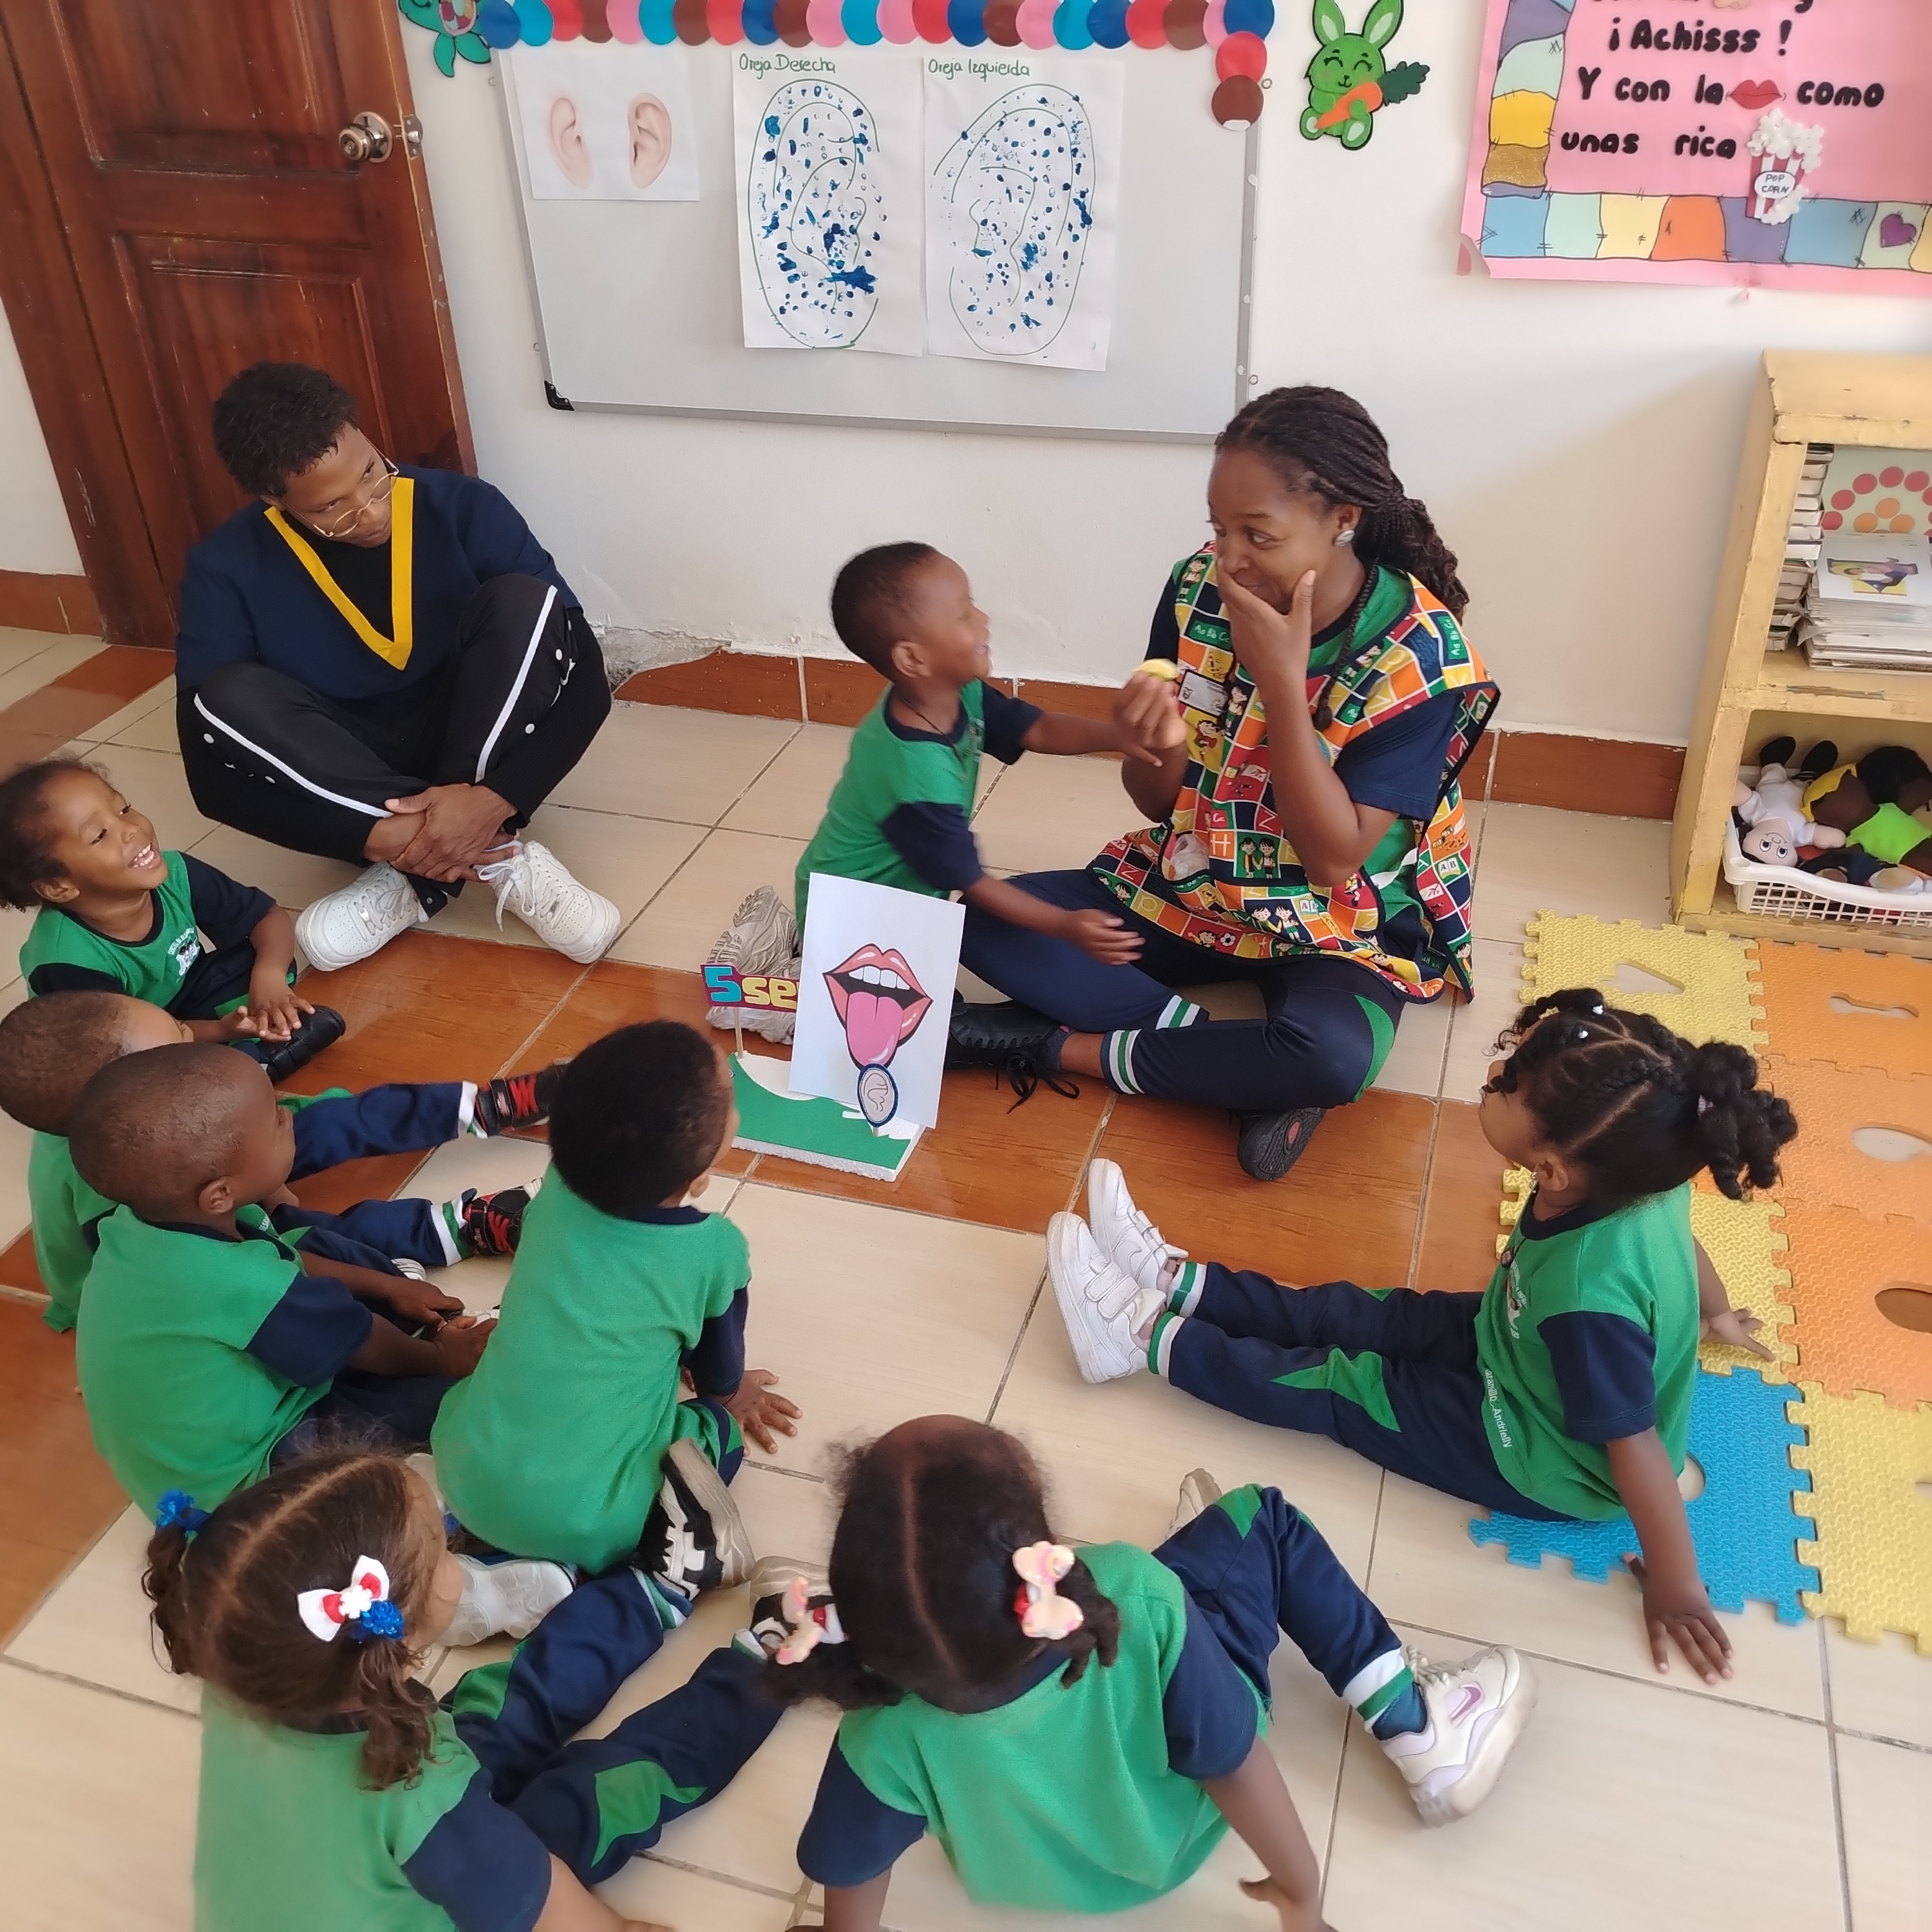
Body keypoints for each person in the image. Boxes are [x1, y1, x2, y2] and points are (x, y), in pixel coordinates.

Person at [1048, 990, 1799, 1683]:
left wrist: (1677, 1584)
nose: (1494, 1072)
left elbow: (1635, 1448)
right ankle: (1178, 1282)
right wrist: (1717, 1313)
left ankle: (1137, 1336)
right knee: (1354, 1313)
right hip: (1515, 1342)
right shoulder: (1642, 1174)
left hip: (1526, 1446)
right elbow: (1687, 1247)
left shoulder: (1589, 1304)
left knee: (1340, 1384)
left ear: (1551, 1169)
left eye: (1507, 1085)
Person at [951, 386, 1498, 1180]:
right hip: (1201, 881)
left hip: (1341, 924)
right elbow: (1157, 801)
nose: (1229, 558)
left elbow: (1333, 862)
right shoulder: (1197, 590)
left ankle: (1056, 1046)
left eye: (1258, 535)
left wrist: (1282, 686)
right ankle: (1230, 1063)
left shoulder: (1422, 659)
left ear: (1343, 520)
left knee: (1330, 1058)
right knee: (981, 917)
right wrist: (1152, 741)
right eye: (1218, 528)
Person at [759, 1417, 1533, 1932]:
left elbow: (845, 1865)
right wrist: (1300, 1894)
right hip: (1181, 1835)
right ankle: (1413, 1722)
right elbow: (1235, 1762)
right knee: (1258, 1519)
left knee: (1170, 1588)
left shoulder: (880, 1727)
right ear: (1041, 1556)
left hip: (1043, 1885)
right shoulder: (1136, 1591)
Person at [146, 1447, 781, 1931]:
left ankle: (655, 1589)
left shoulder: (246, 1681)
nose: (455, 1544)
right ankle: (773, 1659)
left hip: (382, 1847)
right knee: (594, 1794)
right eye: (444, 1544)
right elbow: (548, 1908)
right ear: (391, 1620)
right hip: (445, 1874)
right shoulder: (421, 1800)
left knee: (495, 1707)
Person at [176, 362, 618, 971]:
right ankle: (466, 858)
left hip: (478, 740)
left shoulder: (464, 506)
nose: (370, 511)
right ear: (274, 499)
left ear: (365, 434)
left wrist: (498, 796)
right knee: (223, 696)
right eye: (333, 507)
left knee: (528, 602)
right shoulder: (224, 566)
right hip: (349, 774)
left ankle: (444, 858)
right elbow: (211, 779)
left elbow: (587, 678)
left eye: (370, 473)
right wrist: (376, 835)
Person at [433, 1021, 800, 1619]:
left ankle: (480, 1544)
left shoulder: (554, 1189)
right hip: (599, 1519)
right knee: (719, 1433)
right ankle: (573, 1571)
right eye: (730, 1094)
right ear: (701, 1179)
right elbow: (718, 1375)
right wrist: (733, 1396)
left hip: (465, 1469)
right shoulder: (715, 1249)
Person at [70, 1042, 497, 1519]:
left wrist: (389, 1286)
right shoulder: (232, 1281)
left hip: (196, 1450)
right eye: (275, 1119)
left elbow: (286, 1260)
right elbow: (359, 1341)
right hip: (249, 1487)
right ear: (219, 1193)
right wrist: (441, 1359)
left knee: (317, 1248)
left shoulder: (139, 1226)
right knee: (443, 1400)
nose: (290, 1117)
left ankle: (414, 1329)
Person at [0, 990, 553, 1332]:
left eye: (183, 1029)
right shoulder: (110, 1198)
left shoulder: (165, 1123)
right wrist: (267, 1202)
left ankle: (487, 1106)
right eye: (182, 1048)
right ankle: (460, 1227)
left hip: (216, 1170)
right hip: (196, 1251)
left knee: (333, 1119)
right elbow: (200, 1276)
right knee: (295, 1238)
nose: (201, 1043)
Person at [792, 543, 1177, 980]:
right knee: (911, 1013)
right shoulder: (918, 775)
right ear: (913, 658)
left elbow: (1038, 728)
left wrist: (1119, 736)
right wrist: (1066, 926)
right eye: (964, 614)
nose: (984, 619)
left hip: (905, 896)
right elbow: (973, 882)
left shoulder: (954, 693)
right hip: (850, 915)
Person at [1, 758, 342, 1081]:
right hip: (124, 1044)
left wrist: (269, 979)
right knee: (128, 1079)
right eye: (99, 835)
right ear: (59, 886)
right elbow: (117, 1045)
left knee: (261, 955)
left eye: (123, 809)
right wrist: (220, 1031)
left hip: (188, 1000)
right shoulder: (67, 961)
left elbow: (266, 917)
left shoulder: (177, 873)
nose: (131, 829)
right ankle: (242, 1065)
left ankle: (245, 1056)